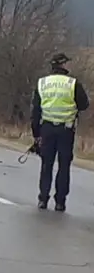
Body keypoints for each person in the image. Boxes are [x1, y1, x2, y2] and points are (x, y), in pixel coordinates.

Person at [31, 52, 89, 211]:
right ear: (63, 65)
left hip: (47, 129)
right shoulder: (73, 83)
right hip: (66, 129)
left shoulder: (42, 83)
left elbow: (36, 111)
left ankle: (43, 199)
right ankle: (60, 202)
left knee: (46, 165)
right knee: (64, 166)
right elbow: (84, 104)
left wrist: (36, 135)